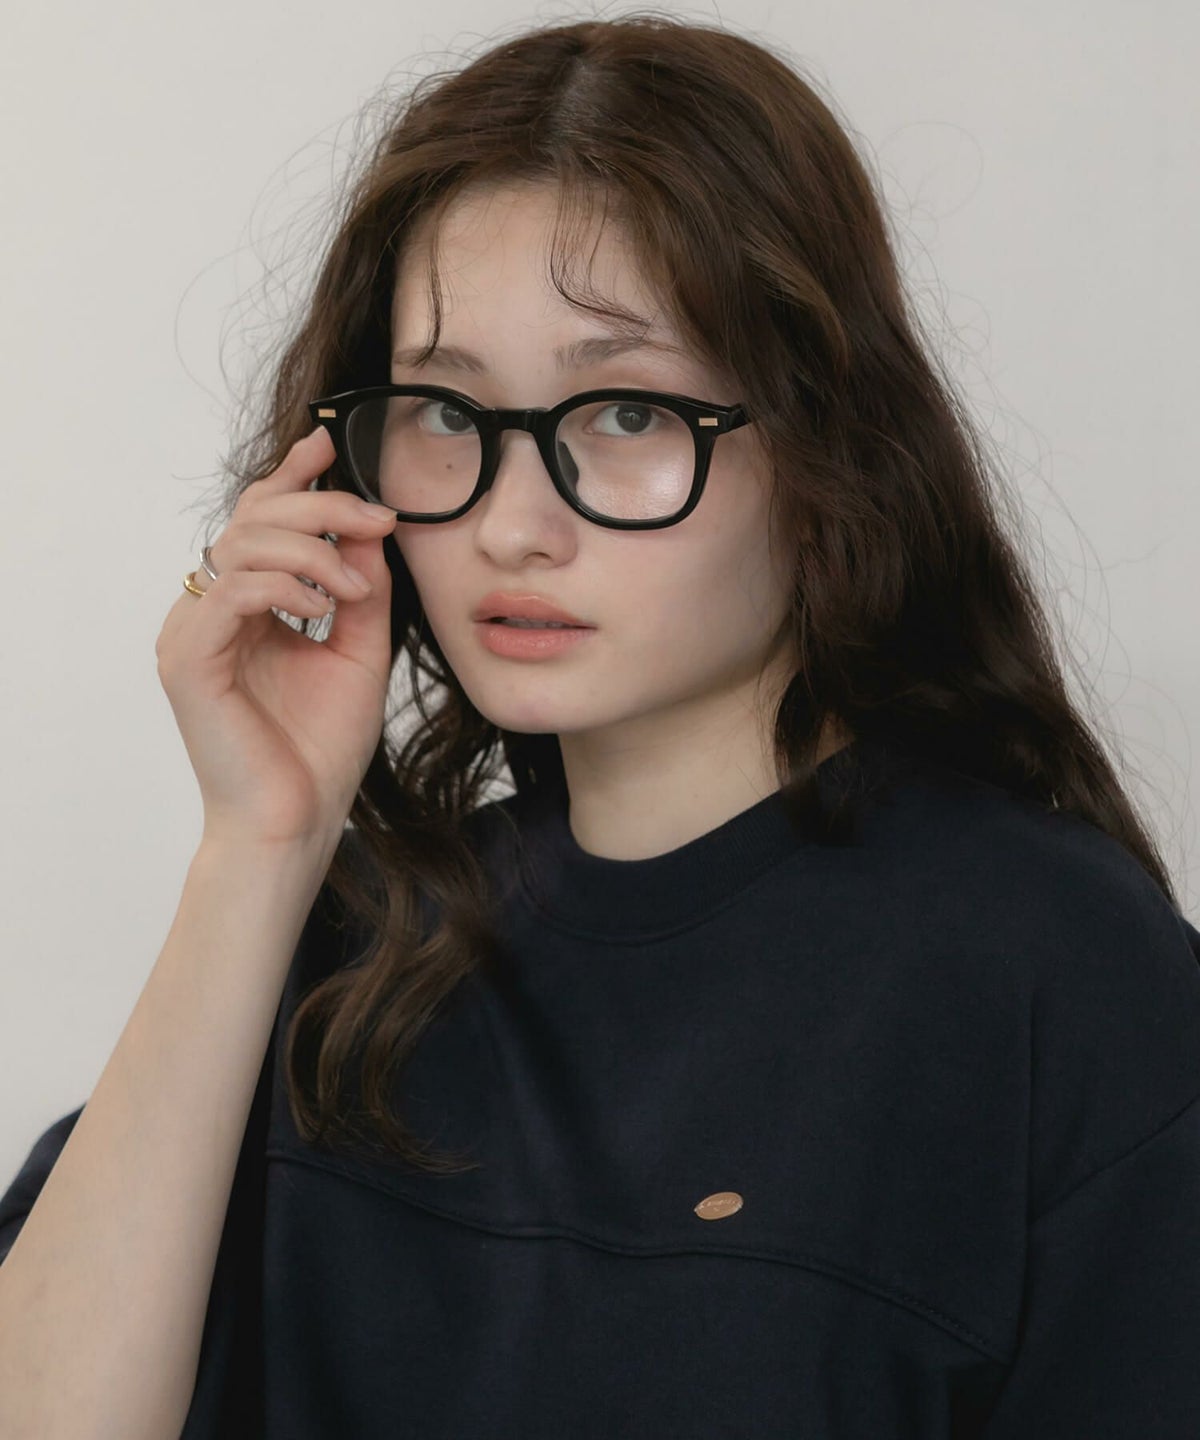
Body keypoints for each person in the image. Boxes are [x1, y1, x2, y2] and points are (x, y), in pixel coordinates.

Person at [2, 12, 1198, 1438]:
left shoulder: (1050, 971)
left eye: (626, 412)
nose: (513, 526)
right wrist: (255, 847)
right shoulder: (339, 944)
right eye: (446, 410)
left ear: (827, 443)